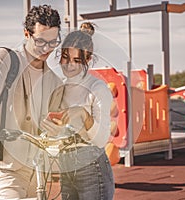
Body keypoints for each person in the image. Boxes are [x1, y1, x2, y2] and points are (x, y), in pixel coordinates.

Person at [0, 5, 63, 199]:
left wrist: (58, 128)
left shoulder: (54, 80)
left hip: (37, 171)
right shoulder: (4, 59)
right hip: (4, 167)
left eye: (53, 42)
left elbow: (56, 123)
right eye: (41, 41)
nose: (47, 48)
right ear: (27, 34)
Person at [41, 22, 115, 200]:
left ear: (88, 60)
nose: (69, 65)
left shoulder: (97, 88)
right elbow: (61, 132)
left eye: (77, 60)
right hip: (65, 166)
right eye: (65, 57)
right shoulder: (60, 88)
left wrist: (83, 115)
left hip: (92, 167)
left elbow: (100, 140)